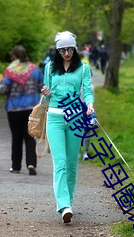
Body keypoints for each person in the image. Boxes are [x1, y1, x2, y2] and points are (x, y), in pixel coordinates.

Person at [41, 31, 94, 223]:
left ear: (75, 48)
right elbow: (47, 97)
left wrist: (89, 104)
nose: (66, 53)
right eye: (62, 50)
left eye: (70, 49)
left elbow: (87, 90)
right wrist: (46, 92)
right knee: (60, 162)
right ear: (57, 50)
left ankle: (68, 201)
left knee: (72, 163)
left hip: (75, 118)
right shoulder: (49, 68)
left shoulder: (83, 68)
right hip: (54, 118)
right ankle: (63, 205)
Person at [0, 45, 44, 175]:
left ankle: (16, 166)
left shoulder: (10, 71)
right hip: (31, 109)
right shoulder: (35, 70)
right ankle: (31, 163)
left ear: (14, 57)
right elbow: (42, 87)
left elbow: (3, 90)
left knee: (16, 138)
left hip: (14, 109)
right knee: (30, 137)